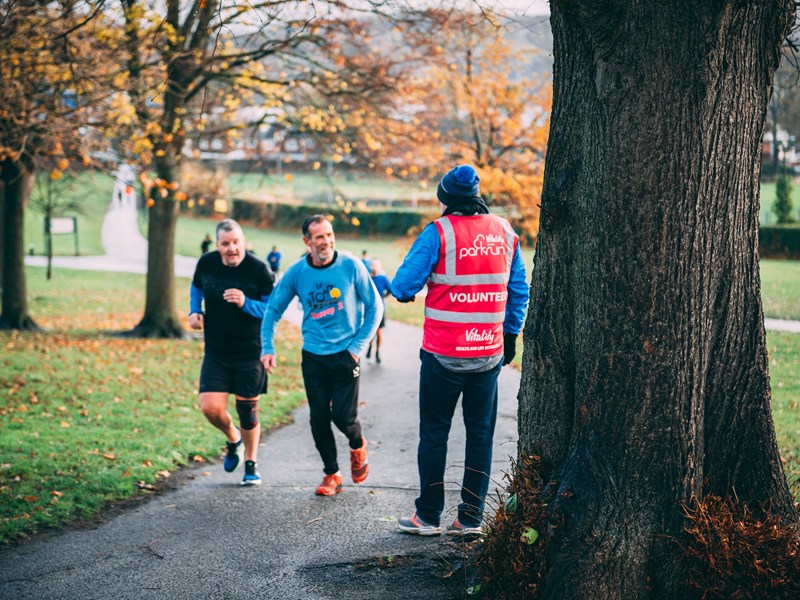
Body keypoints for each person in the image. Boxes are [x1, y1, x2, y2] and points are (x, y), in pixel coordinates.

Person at [392, 164, 529, 536]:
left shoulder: (439, 232)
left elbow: (403, 287)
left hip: (443, 355)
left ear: (444, 199)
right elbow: (519, 290)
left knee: (435, 433)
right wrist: (511, 334)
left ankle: (428, 516)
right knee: (480, 435)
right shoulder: (505, 232)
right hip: (488, 354)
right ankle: (470, 519)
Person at [260, 215, 383, 496]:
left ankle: (357, 445)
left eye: (329, 235)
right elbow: (272, 311)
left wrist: (357, 348)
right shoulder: (296, 273)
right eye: (319, 237)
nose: (326, 241)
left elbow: (375, 307)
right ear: (307, 242)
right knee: (318, 418)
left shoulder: (350, 265)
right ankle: (331, 474)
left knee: (343, 417)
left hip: (346, 354)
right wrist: (267, 347)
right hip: (314, 355)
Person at [189, 219, 276, 486]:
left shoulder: (259, 269)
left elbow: (273, 310)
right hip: (216, 351)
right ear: (217, 245)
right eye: (225, 244)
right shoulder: (207, 263)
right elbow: (197, 287)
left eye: (236, 242)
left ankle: (251, 463)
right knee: (210, 408)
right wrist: (195, 310)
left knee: (247, 412)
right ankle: (233, 437)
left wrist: (245, 302)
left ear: (243, 242)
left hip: (250, 352)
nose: (231, 249)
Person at [366, 258, 391, 364]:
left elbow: (390, 290)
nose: (374, 267)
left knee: (379, 332)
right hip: (368, 309)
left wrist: (382, 297)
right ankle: (370, 346)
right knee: (370, 332)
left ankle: (377, 352)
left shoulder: (383, 278)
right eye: (373, 265)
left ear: (380, 267)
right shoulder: (367, 278)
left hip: (380, 310)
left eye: (376, 265)